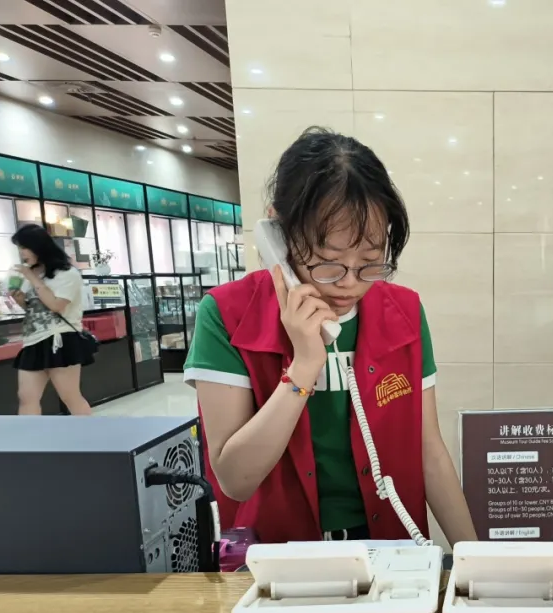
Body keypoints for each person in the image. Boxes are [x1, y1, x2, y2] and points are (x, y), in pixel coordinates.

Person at [185, 126, 478, 545]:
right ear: (278, 234)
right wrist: (304, 366)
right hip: (280, 555)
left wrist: (474, 558)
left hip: (390, 548)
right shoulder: (228, 315)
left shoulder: (404, 311)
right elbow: (235, 479)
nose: (349, 284)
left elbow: (429, 451)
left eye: (371, 262)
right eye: (328, 262)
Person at [9, 223, 93, 416]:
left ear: (38, 246)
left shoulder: (67, 274)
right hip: (33, 339)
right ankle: (31, 435)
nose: (21, 253)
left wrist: (33, 279)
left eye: (24, 247)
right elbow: (36, 310)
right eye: (19, 248)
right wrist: (20, 300)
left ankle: (90, 432)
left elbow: (56, 305)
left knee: (70, 396)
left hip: (60, 339)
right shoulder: (31, 274)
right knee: (26, 396)